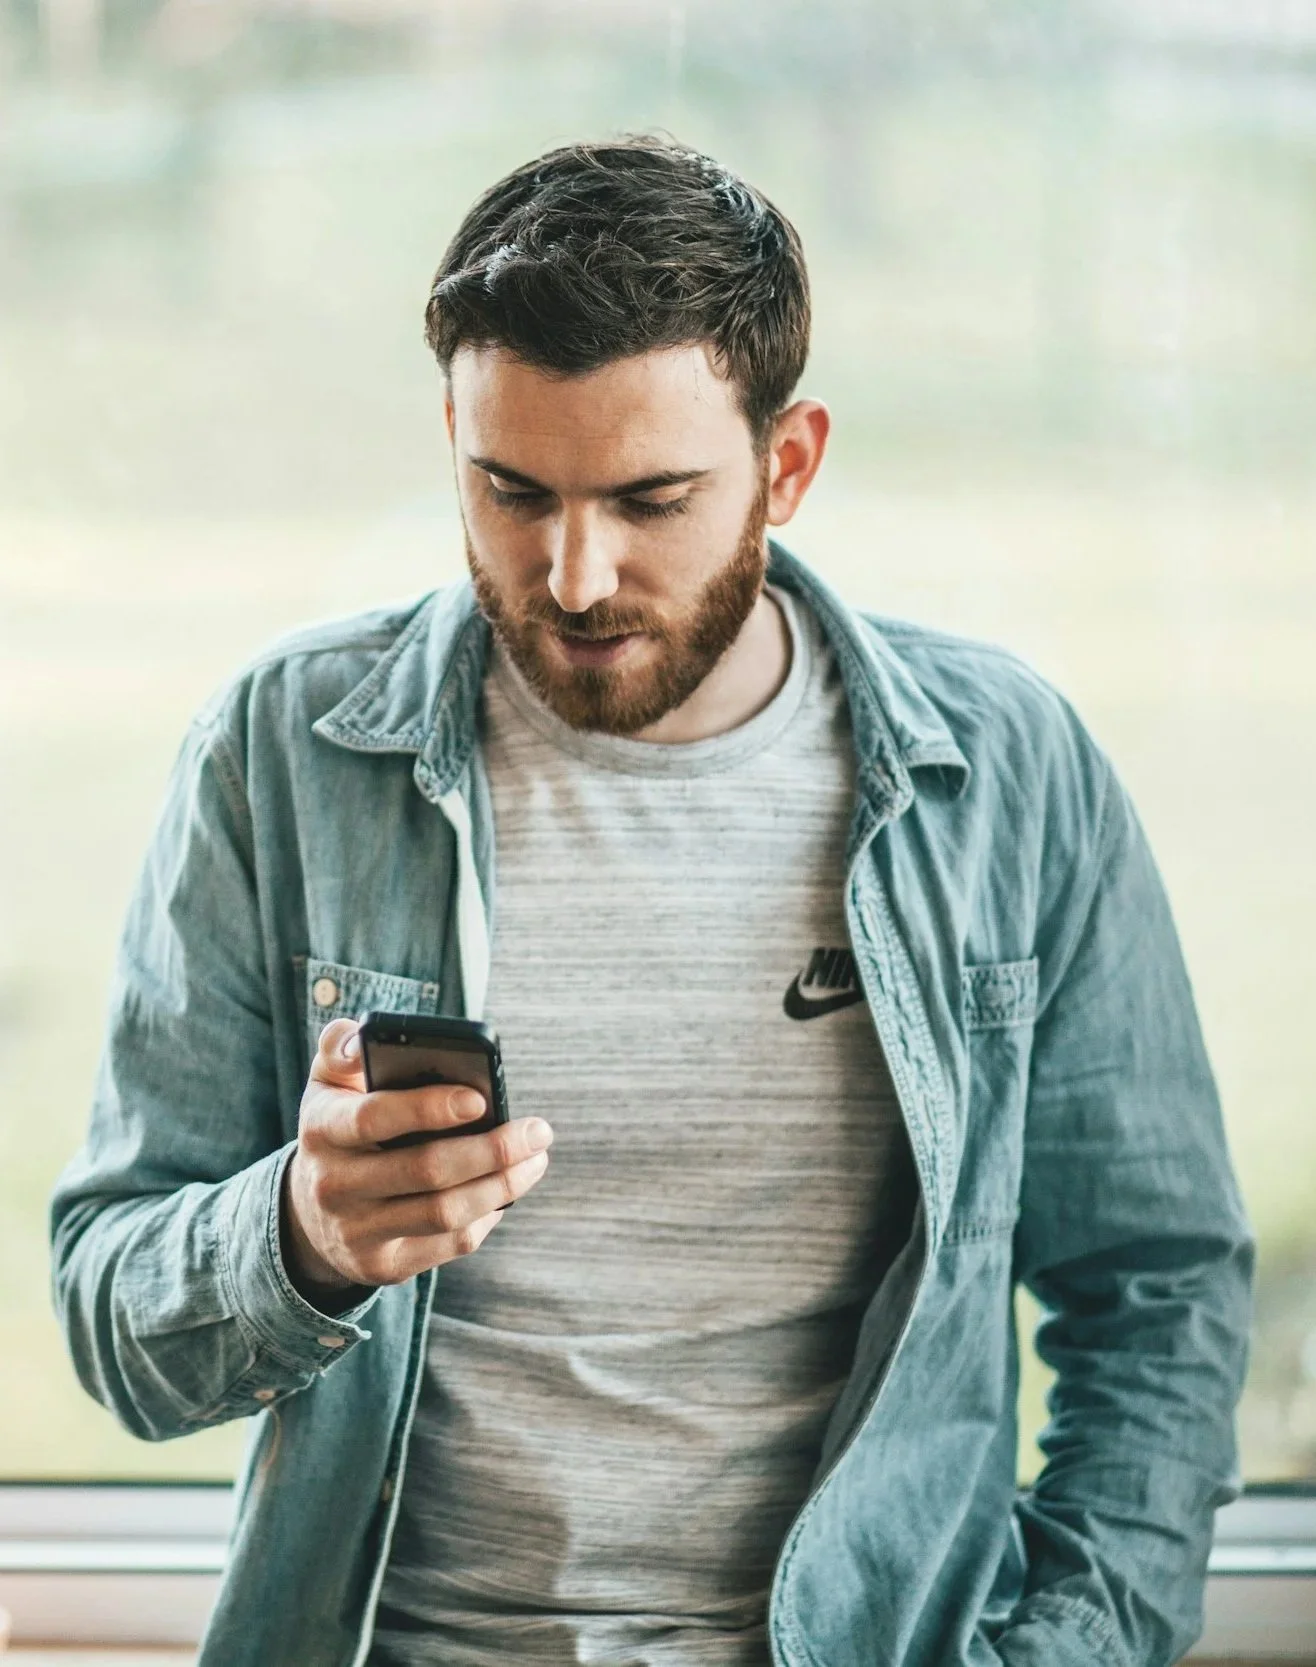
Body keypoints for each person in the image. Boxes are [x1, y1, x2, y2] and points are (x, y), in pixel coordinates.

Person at [50, 136, 1253, 1667]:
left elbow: (1158, 1294)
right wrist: (300, 1234)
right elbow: (113, 1318)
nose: (570, 573)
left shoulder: (1012, 779)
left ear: (789, 465)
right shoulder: (280, 754)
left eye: (651, 499)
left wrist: (1070, 1648)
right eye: (510, 490)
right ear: (450, 437)